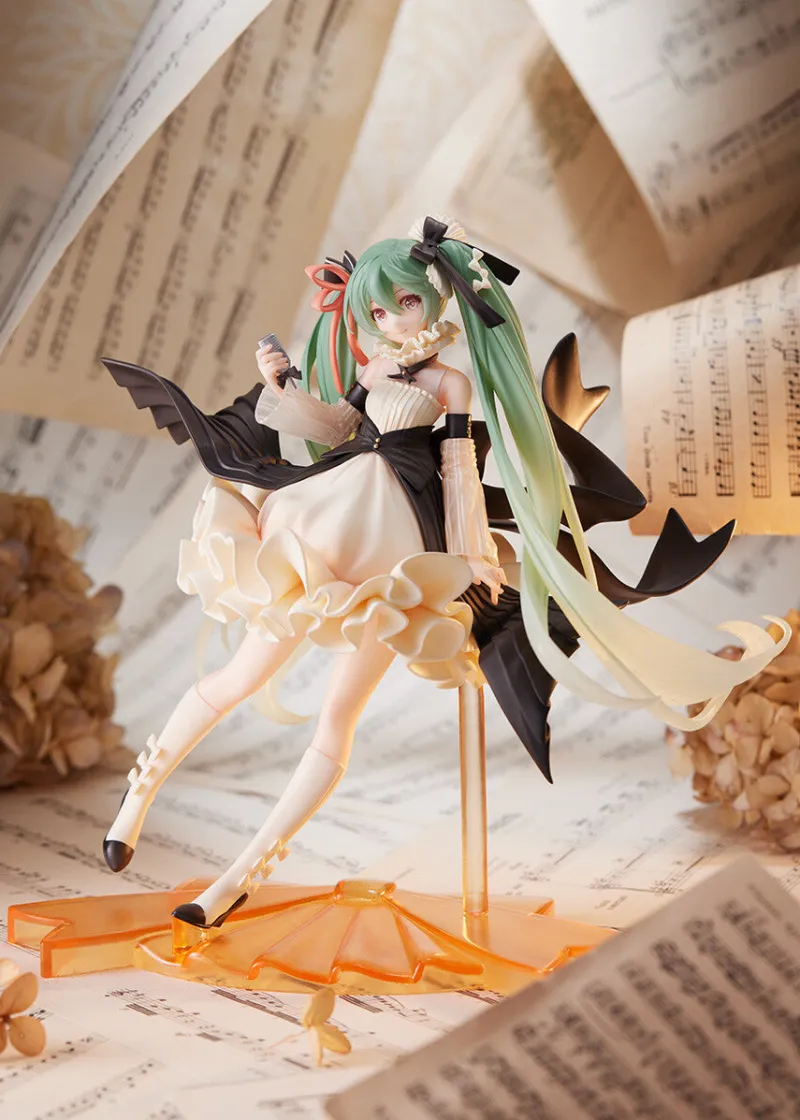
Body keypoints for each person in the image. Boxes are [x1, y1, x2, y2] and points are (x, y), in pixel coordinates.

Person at [101, 215, 787, 929]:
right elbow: (335, 428)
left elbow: (459, 466)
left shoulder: (450, 382)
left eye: (405, 303)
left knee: (337, 719)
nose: (394, 320)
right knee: (238, 677)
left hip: (400, 546)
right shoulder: (374, 370)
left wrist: (471, 554)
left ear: (433, 299)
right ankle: (134, 804)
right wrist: (282, 385)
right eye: (378, 311)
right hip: (327, 516)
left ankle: (236, 880)